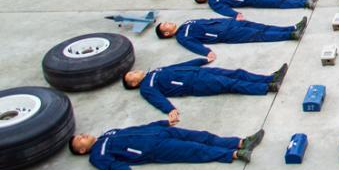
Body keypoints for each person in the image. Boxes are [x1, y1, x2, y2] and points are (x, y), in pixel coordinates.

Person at [69, 122, 264, 170]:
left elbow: (137, 128)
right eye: (79, 140)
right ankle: (236, 154)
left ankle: (241, 142)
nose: (82, 135)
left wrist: (161, 123)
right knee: (194, 150)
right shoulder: (98, 155)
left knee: (201, 136)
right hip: (155, 149)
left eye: (80, 134)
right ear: (81, 150)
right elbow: (113, 165)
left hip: (160, 133)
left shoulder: (108, 133)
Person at [123, 59, 289, 123]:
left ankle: (269, 78)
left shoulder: (155, 72)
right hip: (195, 84)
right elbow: (156, 98)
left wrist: (200, 61)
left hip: (198, 72)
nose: (134, 71)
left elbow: (177, 66)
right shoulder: (146, 87)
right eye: (131, 75)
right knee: (230, 84)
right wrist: (170, 110)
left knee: (236, 73)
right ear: (134, 84)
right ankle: (267, 87)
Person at [155, 17, 307, 60]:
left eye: (166, 22)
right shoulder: (182, 36)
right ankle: (291, 35)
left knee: (262, 27)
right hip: (226, 34)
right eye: (165, 26)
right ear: (167, 34)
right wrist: (206, 52)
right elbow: (192, 45)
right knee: (259, 35)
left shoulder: (187, 23)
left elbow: (209, 20)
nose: (168, 23)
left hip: (228, 24)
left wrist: (230, 19)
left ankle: (292, 27)